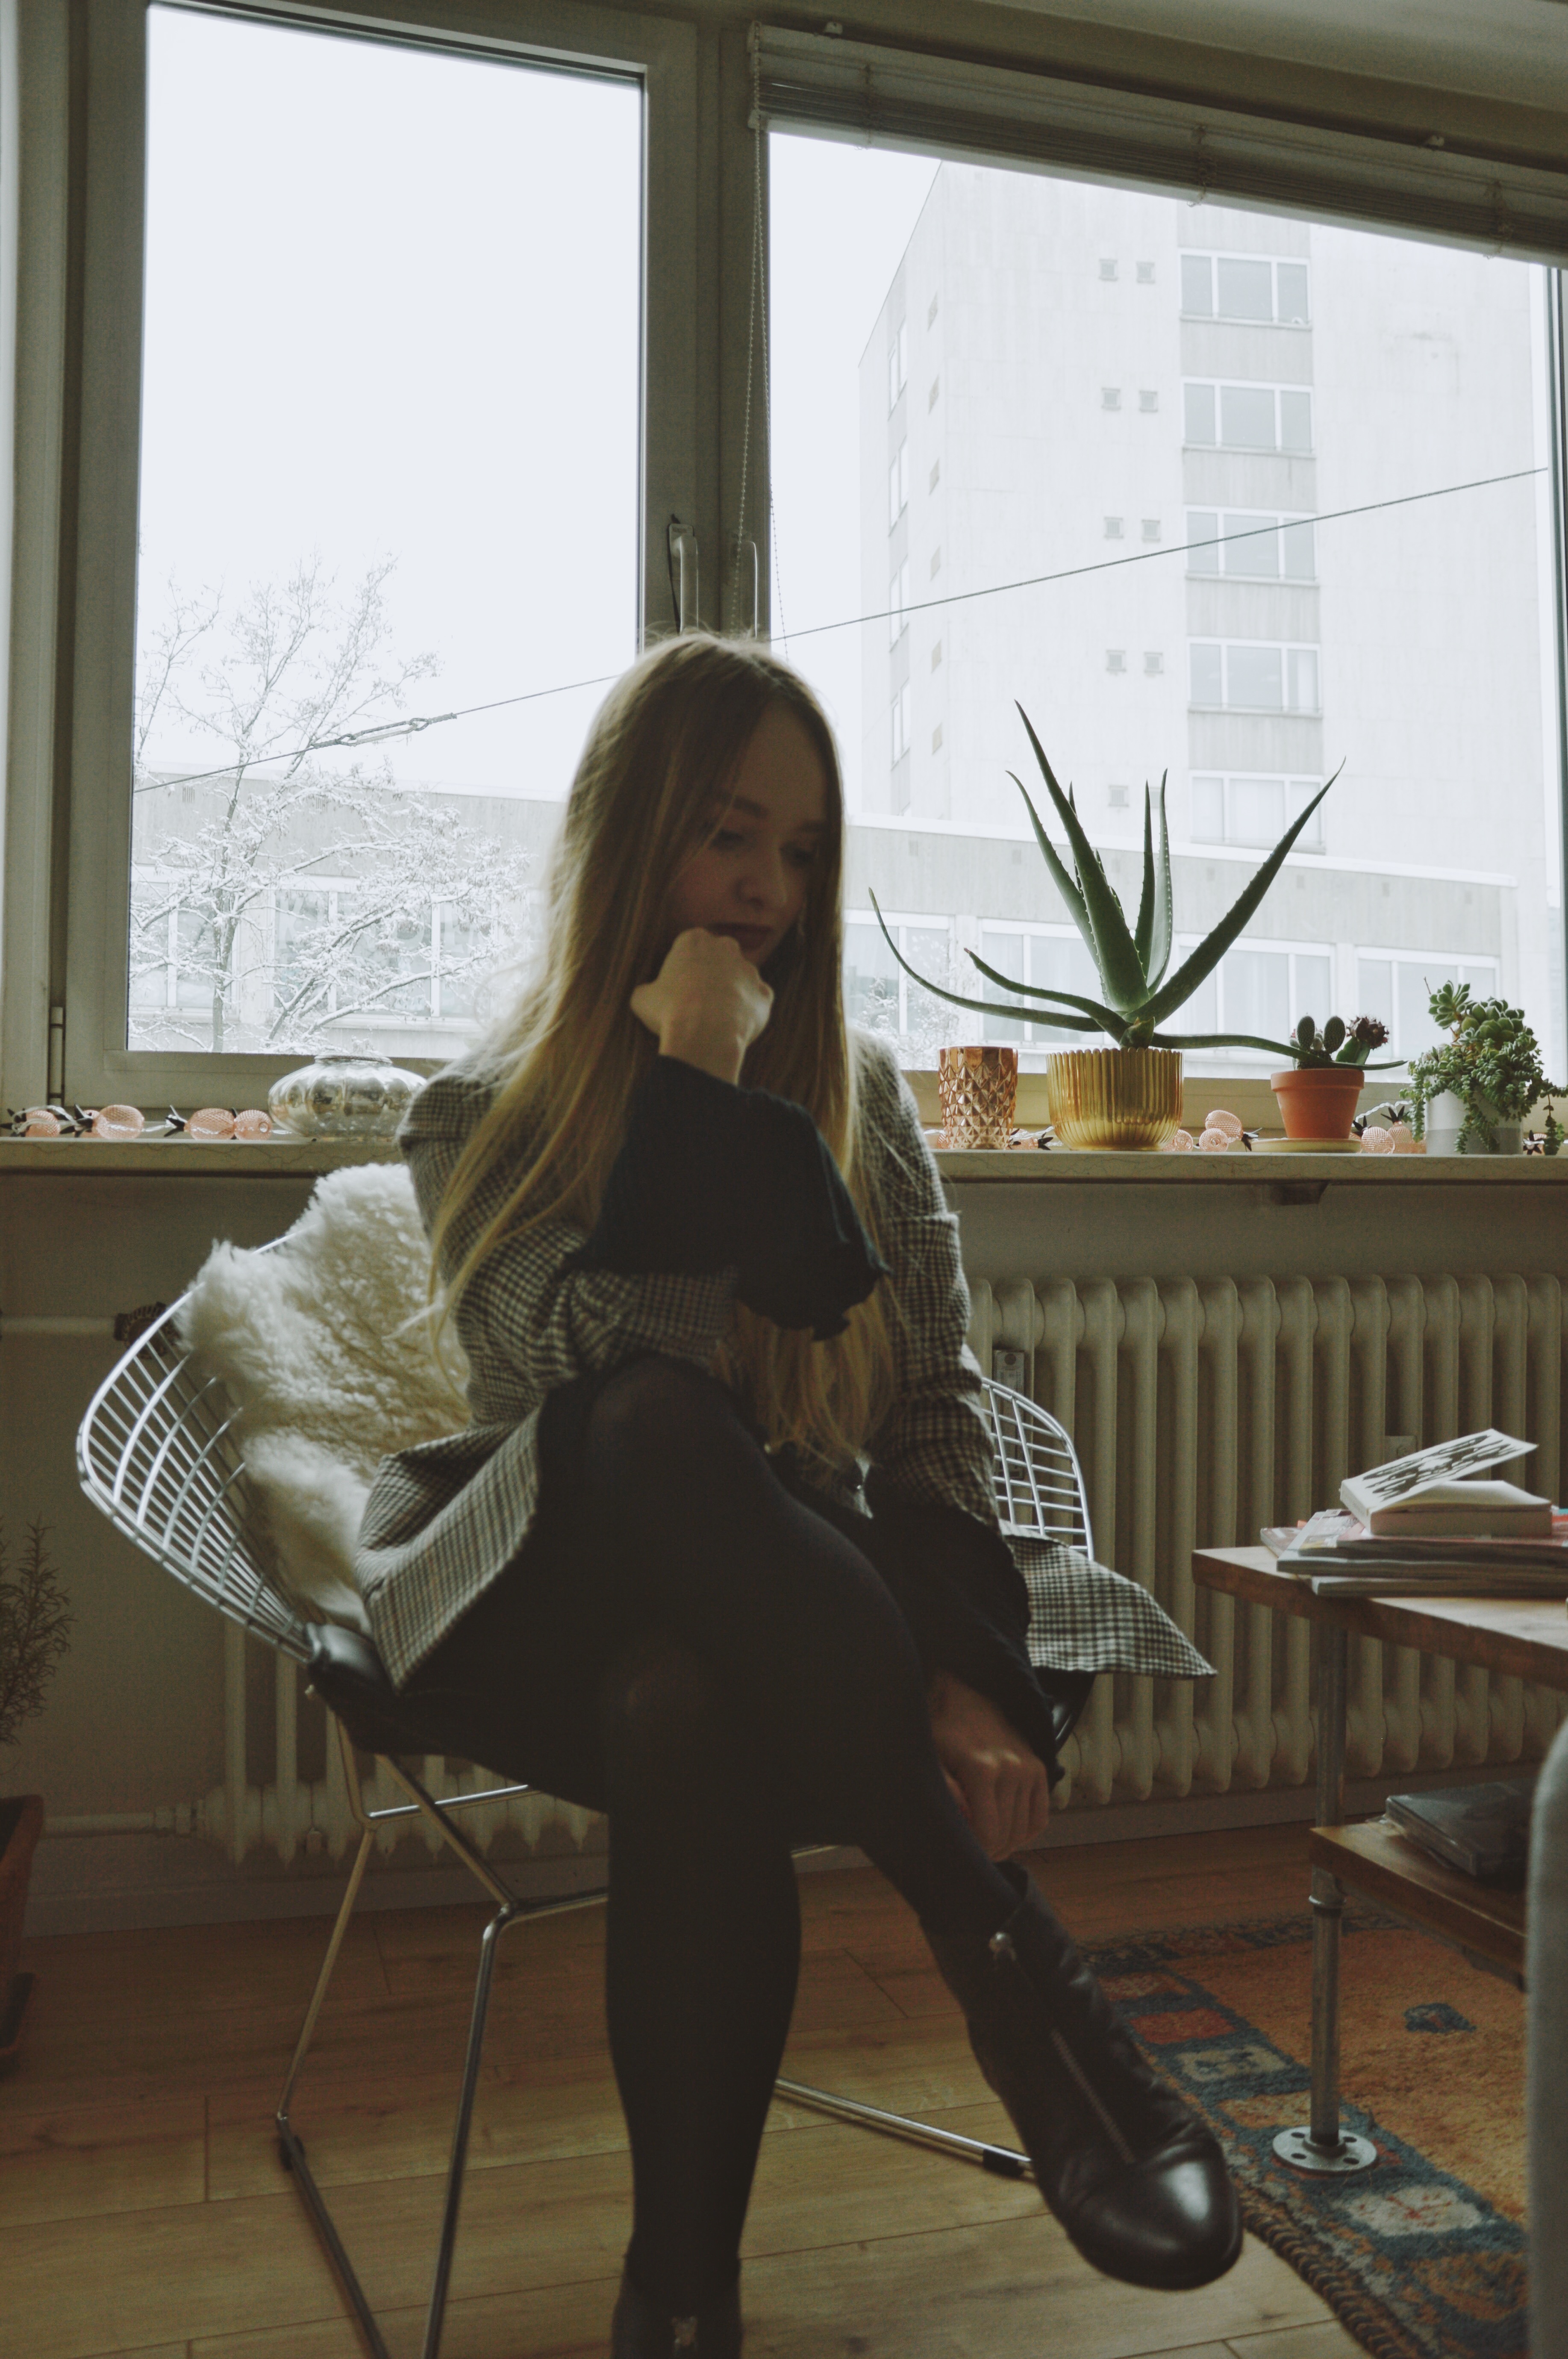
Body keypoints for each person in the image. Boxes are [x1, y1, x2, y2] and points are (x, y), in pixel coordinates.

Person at [356, 633, 1240, 2356]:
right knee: (649, 1422)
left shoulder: (861, 1098)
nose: (770, 888)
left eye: (803, 849)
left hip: (781, 1612)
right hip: (548, 1593)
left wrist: (957, 1668)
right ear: (633, 840)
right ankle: (1012, 1966)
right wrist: (693, 1077)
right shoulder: (473, 1120)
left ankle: (679, 2303)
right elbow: (598, 1374)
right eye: (728, 835)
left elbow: (934, 1411)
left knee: (684, 1704)